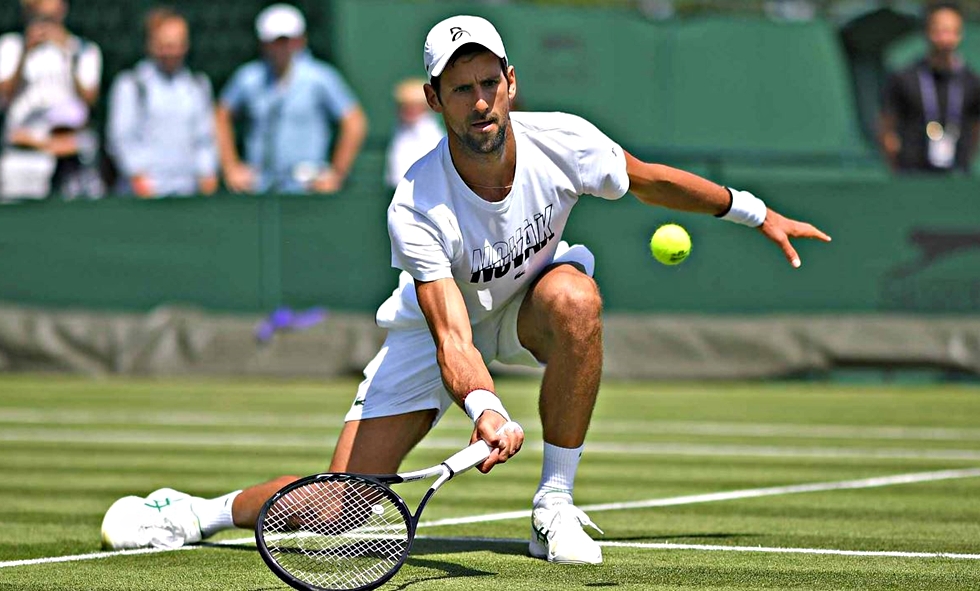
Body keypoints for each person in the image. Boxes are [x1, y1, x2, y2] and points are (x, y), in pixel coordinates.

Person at [100, 15, 830, 565]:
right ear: (434, 99)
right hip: (435, 332)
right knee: (335, 510)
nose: (480, 101)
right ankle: (194, 512)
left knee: (578, 299)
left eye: (490, 83)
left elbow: (645, 178)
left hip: (528, 302)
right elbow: (451, 332)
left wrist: (754, 211)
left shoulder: (563, 141)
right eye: (461, 89)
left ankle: (555, 504)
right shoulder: (415, 203)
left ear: (511, 83)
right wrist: (484, 408)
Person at [215, 3, 367, 194]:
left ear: (300, 40)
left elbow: (354, 121)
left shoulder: (320, 77)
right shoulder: (248, 78)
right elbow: (221, 115)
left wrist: (336, 174)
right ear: (263, 43)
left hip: (307, 190)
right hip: (259, 190)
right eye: (275, 41)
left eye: (287, 40)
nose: (282, 47)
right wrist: (231, 168)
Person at [105, 7, 218, 198]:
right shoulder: (131, 84)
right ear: (150, 44)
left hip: (188, 194)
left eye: (178, 44)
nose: (172, 52)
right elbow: (121, 139)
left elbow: (204, 140)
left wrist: (207, 176)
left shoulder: (198, 85)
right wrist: (139, 179)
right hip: (144, 196)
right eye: (165, 45)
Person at [0, 0, 102, 199]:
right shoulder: (10, 45)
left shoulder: (83, 49)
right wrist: (25, 51)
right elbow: (5, 94)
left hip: (68, 156)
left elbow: (89, 100)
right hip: (22, 157)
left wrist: (68, 52)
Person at [878, 1, 980, 174]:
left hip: (956, 175)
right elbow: (886, 126)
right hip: (912, 174)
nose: (946, 39)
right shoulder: (904, 77)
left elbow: (976, 127)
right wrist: (895, 165)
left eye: (952, 32)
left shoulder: (971, 81)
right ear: (927, 32)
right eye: (940, 31)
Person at [385, 77, 444, 188]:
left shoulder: (431, 135)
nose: (408, 110)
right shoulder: (399, 130)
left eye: (414, 106)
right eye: (404, 106)